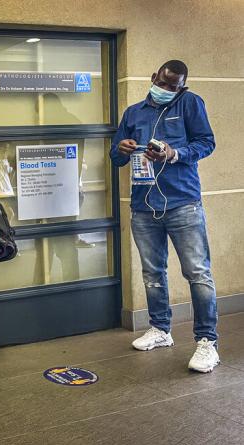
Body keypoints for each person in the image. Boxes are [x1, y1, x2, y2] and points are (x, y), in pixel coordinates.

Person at [109, 60, 218, 372]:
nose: (168, 89)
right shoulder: (133, 112)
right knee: (152, 272)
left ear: (181, 87)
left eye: (174, 86)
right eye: (164, 82)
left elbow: (206, 143)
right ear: (153, 77)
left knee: (197, 273)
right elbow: (115, 155)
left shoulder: (190, 104)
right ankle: (161, 329)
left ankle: (207, 342)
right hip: (144, 205)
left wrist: (174, 153)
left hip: (183, 203)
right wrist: (123, 147)